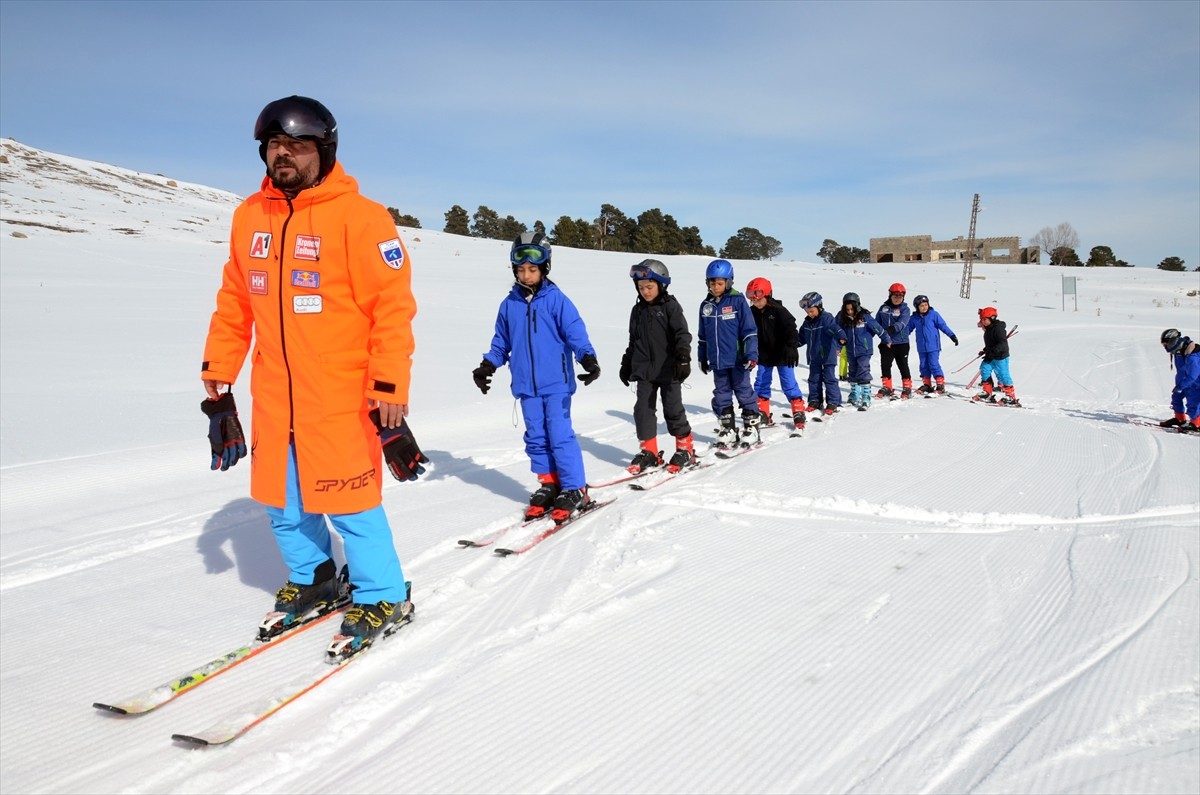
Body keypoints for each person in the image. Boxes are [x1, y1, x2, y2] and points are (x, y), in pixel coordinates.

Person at [201, 96, 427, 650]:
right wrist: (219, 372)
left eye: (297, 146)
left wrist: (390, 386)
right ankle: (316, 579)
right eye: (275, 146)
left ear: (324, 151)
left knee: (351, 501)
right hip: (275, 392)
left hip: (341, 392)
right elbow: (235, 300)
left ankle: (383, 594)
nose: (284, 155)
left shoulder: (360, 216)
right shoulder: (249, 215)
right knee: (282, 499)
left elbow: (392, 306)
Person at [472, 232, 601, 521]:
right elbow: (501, 343)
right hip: (526, 387)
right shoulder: (509, 305)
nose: (526, 275)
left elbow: (575, 332)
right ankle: (549, 483)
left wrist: (588, 358)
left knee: (559, 435)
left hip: (556, 384)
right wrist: (487, 365)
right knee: (536, 437)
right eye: (521, 270)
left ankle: (574, 488)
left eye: (532, 269)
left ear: (544, 269)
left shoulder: (557, 301)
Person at [619, 259, 696, 473]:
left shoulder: (670, 306)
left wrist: (683, 357)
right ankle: (649, 452)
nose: (645, 291)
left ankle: (685, 448)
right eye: (641, 287)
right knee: (642, 410)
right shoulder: (637, 311)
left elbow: (682, 334)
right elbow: (633, 340)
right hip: (644, 370)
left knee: (672, 409)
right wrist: (626, 363)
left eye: (649, 287)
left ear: (661, 285)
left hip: (669, 368)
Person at [697, 259, 760, 447]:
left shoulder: (738, 301)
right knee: (721, 394)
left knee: (744, 392)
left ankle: (752, 427)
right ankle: (728, 428)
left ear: (728, 282)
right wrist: (702, 356)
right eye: (712, 282)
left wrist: (751, 354)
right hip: (717, 360)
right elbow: (702, 336)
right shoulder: (706, 305)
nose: (715, 287)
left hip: (738, 360)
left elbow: (749, 331)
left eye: (719, 283)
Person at [745, 277, 806, 431]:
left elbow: (791, 328)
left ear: (767, 294)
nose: (756, 302)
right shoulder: (751, 312)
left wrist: (792, 347)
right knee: (761, 383)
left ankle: (798, 410)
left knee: (788, 383)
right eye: (752, 299)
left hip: (782, 354)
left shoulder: (779, 310)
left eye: (758, 298)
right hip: (764, 355)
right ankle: (763, 412)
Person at [836, 292, 891, 409]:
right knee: (853, 371)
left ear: (857, 306)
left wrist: (886, 339)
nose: (850, 311)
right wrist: (838, 347)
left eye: (852, 309)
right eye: (847, 309)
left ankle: (866, 395)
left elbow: (877, 328)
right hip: (851, 350)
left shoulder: (864, 316)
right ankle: (855, 393)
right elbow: (839, 334)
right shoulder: (842, 318)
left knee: (863, 371)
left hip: (864, 350)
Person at [797, 291, 845, 416]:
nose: (810, 314)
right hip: (814, 356)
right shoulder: (807, 323)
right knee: (814, 379)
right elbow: (801, 338)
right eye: (807, 312)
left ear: (819, 307)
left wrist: (842, 337)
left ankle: (833, 401)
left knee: (829, 379)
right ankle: (815, 400)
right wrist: (791, 344)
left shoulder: (826, 319)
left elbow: (836, 328)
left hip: (828, 355)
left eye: (812, 311)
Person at [906, 294, 958, 394]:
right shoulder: (914, 318)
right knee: (923, 365)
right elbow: (907, 330)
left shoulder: (934, 314)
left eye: (926, 304)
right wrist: (899, 339)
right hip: (921, 347)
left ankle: (940, 385)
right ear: (917, 307)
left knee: (934, 364)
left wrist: (952, 336)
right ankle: (927, 385)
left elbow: (943, 326)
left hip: (933, 346)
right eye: (921, 306)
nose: (924, 307)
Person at [973, 306, 1020, 406]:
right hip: (991, 356)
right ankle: (987, 393)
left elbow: (1002, 344)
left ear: (992, 318)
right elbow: (990, 343)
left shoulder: (998, 329)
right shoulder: (988, 329)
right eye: (982, 320)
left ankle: (1010, 396)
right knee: (984, 369)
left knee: (1003, 375)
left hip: (1000, 356)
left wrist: (992, 351)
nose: (983, 322)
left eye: (984, 319)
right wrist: (985, 350)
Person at [875, 282, 913, 399]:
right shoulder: (883, 308)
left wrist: (893, 329)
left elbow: (903, 322)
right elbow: (876, 322)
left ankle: (907, 387)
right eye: (895, 296)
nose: (897, 299)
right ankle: (887, 387)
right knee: (885, 365)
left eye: (900, 297)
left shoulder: (905, 309)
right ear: (890, 295)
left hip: (901, 343)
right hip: (886, 342)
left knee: (903, 365)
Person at [1159, 329, 1200, 433]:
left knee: (1193, 401)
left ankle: (1196, 423)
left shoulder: (1192, 355)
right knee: (1176, 397)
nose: (1165, 347)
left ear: (1172, 341)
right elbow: (1182, 370)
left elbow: (1192, 376)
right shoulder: (1178, 349)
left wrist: (1181, 386)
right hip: (1185, 380)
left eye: (1166, 344)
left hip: (1196, 382)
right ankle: (1180, 418)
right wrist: (1179, 385)